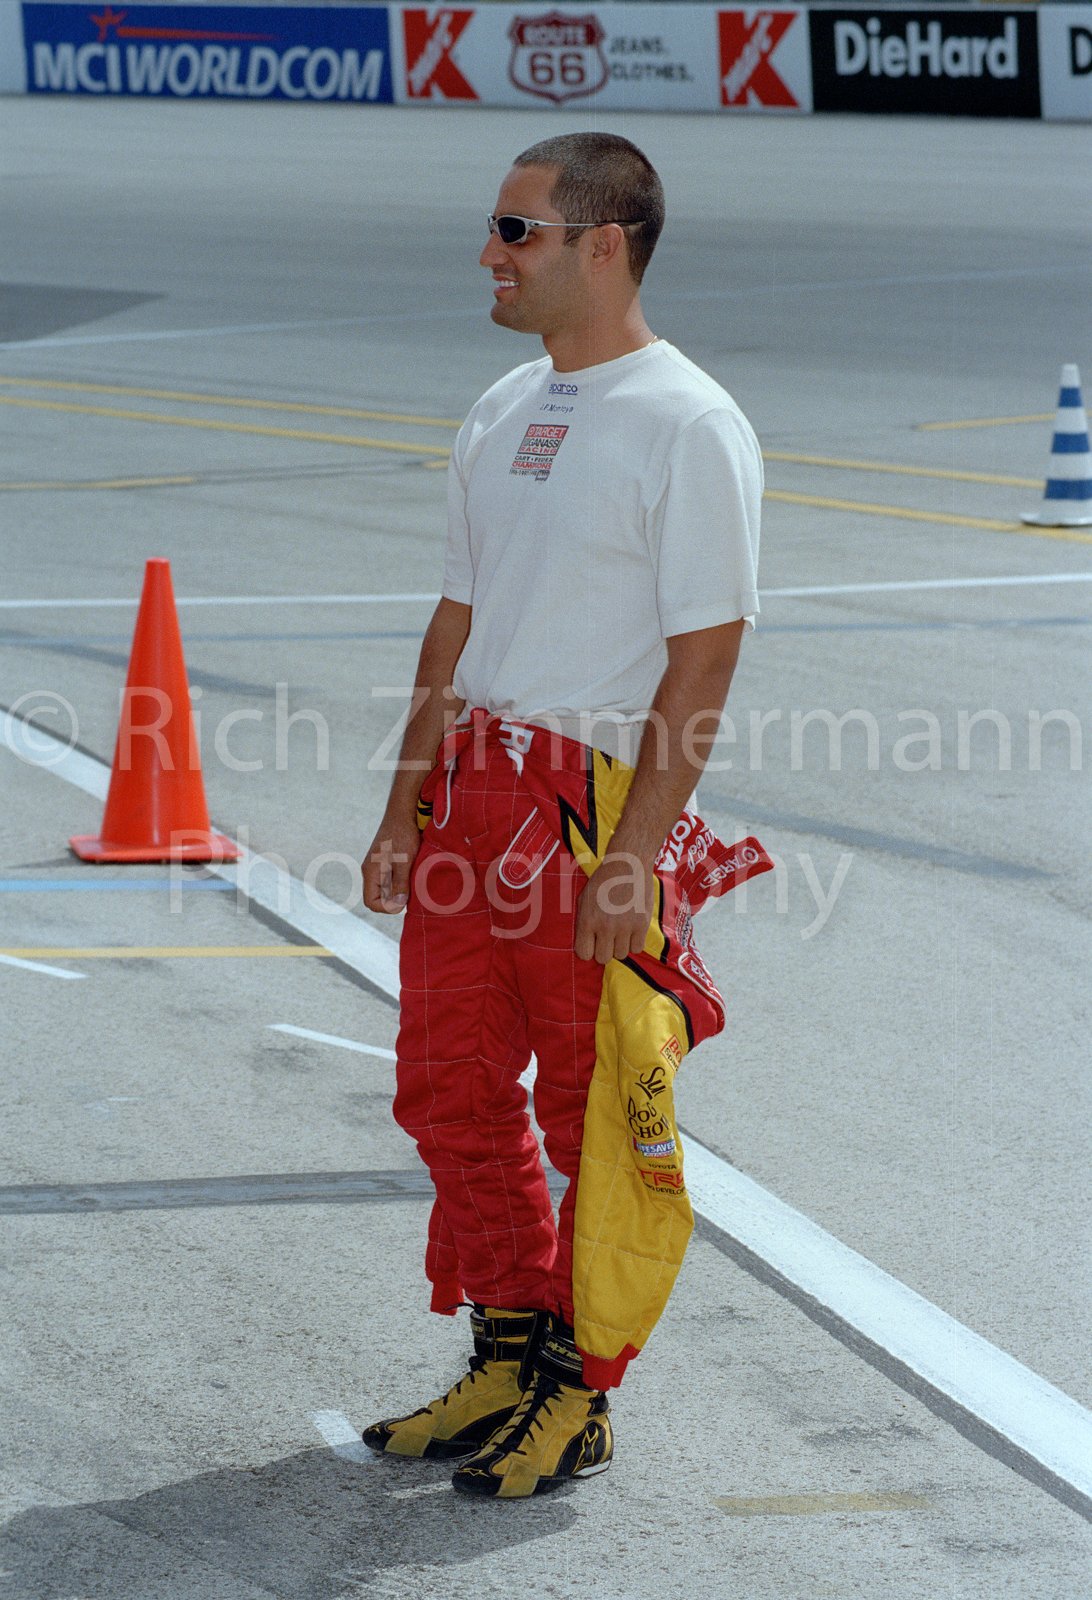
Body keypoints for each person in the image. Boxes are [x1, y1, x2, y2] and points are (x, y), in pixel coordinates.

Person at [360, 132, 765, 1500]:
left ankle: (580, 1393)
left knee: (592, 1117)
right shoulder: (499, 408)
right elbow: (457, 622)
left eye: (515, 230)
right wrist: (404, 804)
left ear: (605, 246)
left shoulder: (690, 421)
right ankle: (508, 1345)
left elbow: (705, 657)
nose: (490, 251)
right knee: (450, 1090)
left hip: (585, 811)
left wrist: (639, 854)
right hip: (474, 792)